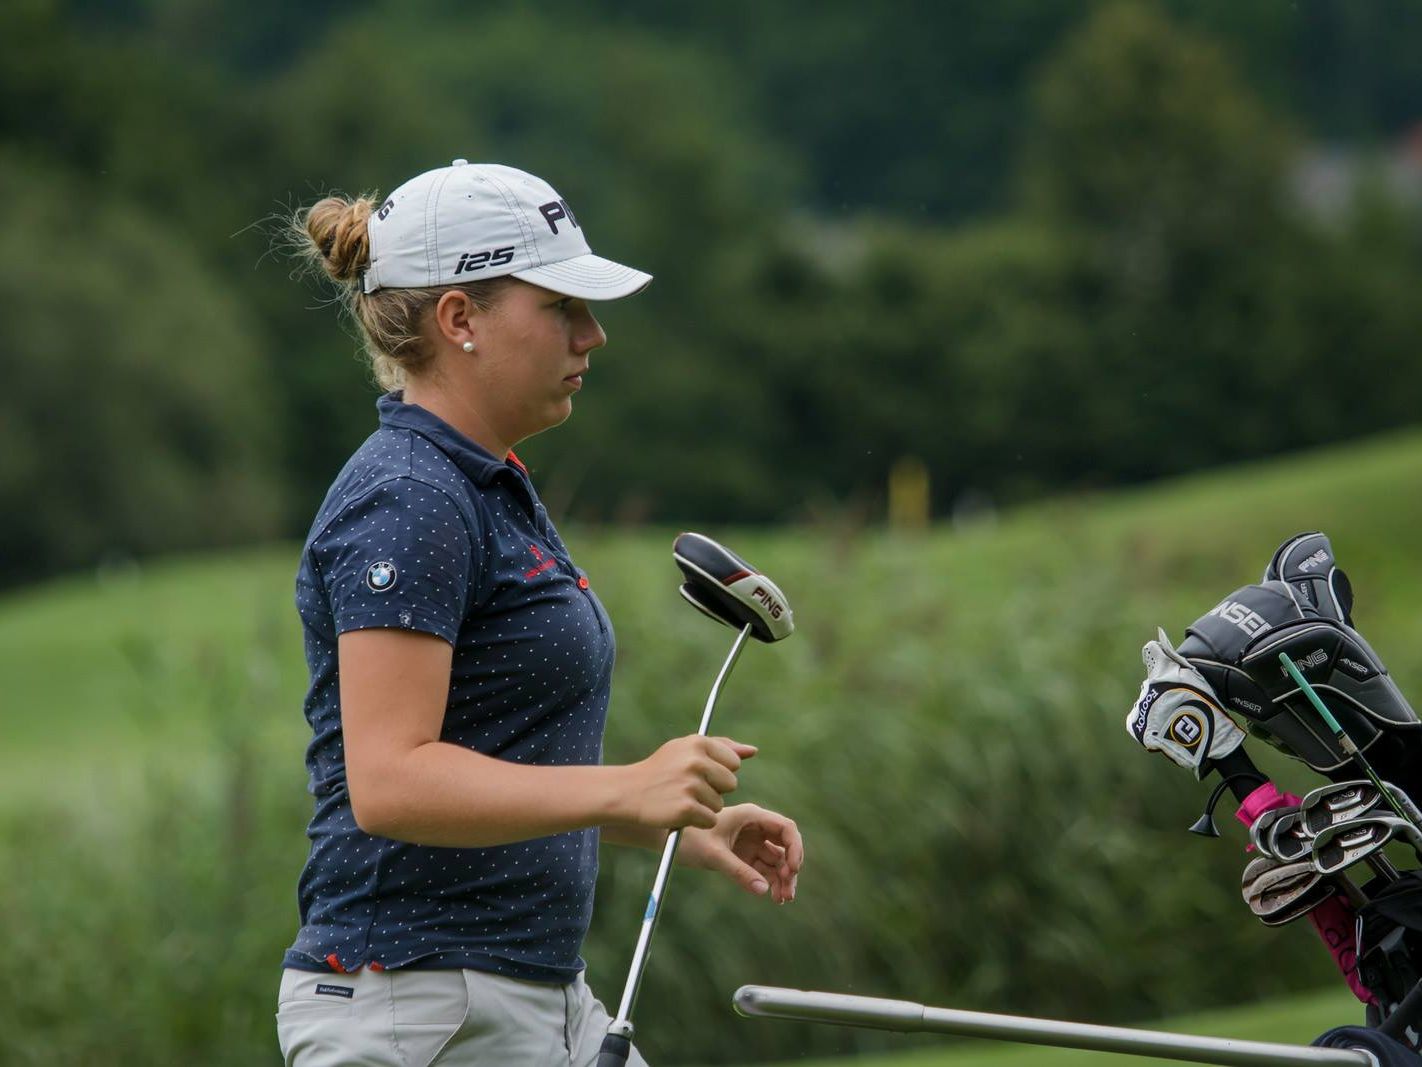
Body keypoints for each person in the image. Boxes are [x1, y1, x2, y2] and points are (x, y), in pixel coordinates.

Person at [278, 160, 805, 1067]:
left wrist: (671, 819)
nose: (592, 335)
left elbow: (501, 765)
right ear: (459, 321)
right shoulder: (407, 497)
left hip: (524, 999)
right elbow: (392, 780)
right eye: (560, 306)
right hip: (417, 1007)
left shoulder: (486, 482)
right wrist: (626, 784)